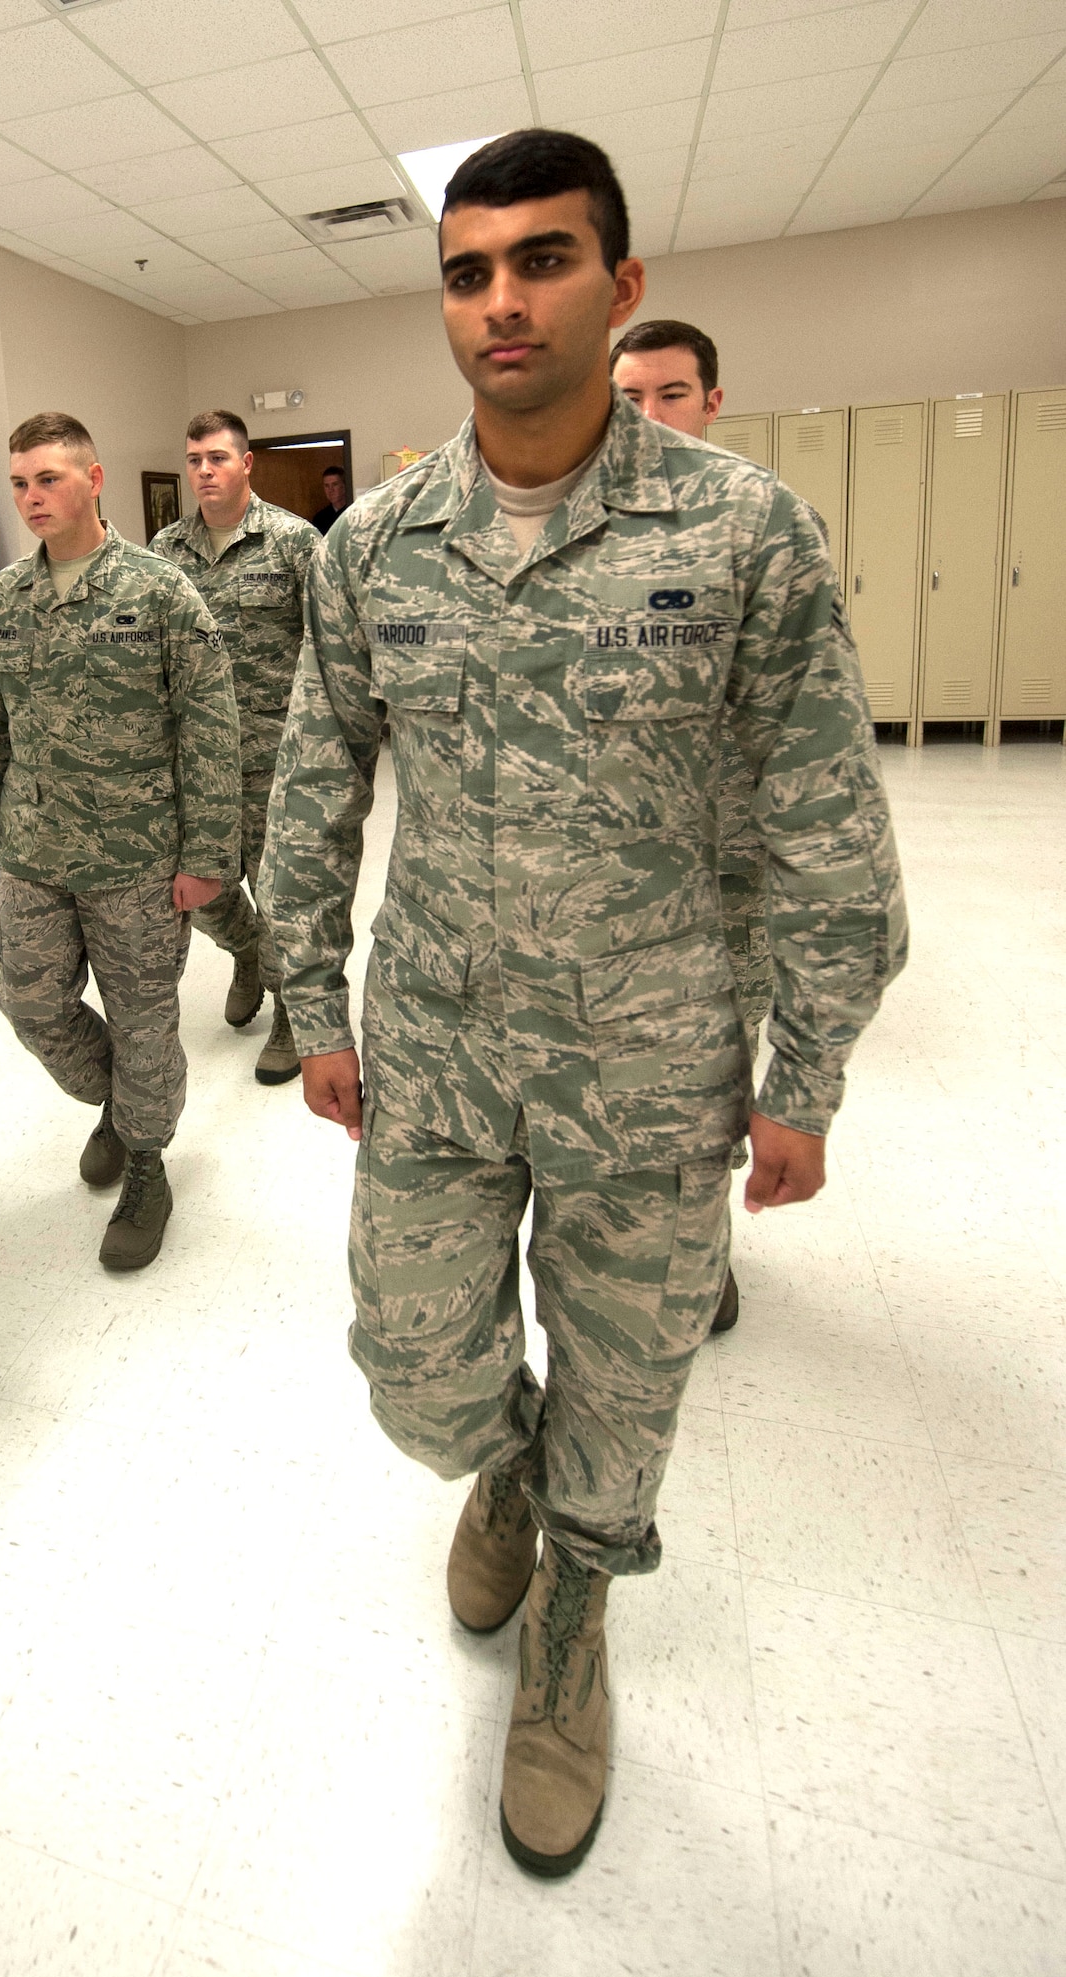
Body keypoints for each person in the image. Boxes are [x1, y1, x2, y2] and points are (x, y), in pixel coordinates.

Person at [262, 131, 906, 1876]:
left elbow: (827, 817)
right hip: (440, 1057)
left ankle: (572, 1636)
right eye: (469, 271)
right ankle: (499, 1469)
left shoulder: (744, 531)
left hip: (652, 1065)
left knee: (627, 1402)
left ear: (618, 292)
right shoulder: (376, 546)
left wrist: (810, 1076)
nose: (501, 301)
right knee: (413, 1368)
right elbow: (313, 789)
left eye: (542, 261)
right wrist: (312, 1002)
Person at [0, 413, 239, 1270]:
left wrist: (206, 858)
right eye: (19, 483)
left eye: (48, 479)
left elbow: (209, 729)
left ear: (94, 479)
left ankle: (148, 1164)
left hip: (138, 857)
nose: (31, 498)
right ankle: (123, 1107)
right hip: (36, 852)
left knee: (144, 1018)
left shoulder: (157, 592)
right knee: (31, 1005)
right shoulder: (2, 600)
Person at [611, 319, 757, 1335]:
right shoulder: (589, 534)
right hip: (621, 876)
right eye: (627, 399)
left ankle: (706, 1240)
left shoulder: (756, 529)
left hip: (728, 876)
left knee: (710, 1074)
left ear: (710, 402)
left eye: (669, 394)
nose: (647, 417)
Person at [150, 410, 320, 1084]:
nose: (203, 471)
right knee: (200, 888)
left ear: (246, 463)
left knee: (277, 888)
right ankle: (248, 951)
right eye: (194, 459)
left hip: (275, 753)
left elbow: (328, 647)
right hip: (193, 759)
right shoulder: (164, 551)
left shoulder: (292, 543)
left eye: (217, 458)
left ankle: (288, 1009)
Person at [310, 465, 350, 535]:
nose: (330, 490)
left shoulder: (353, 512)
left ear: (344, 486)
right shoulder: (320, 519)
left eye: (335, 484)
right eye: (327, 486)